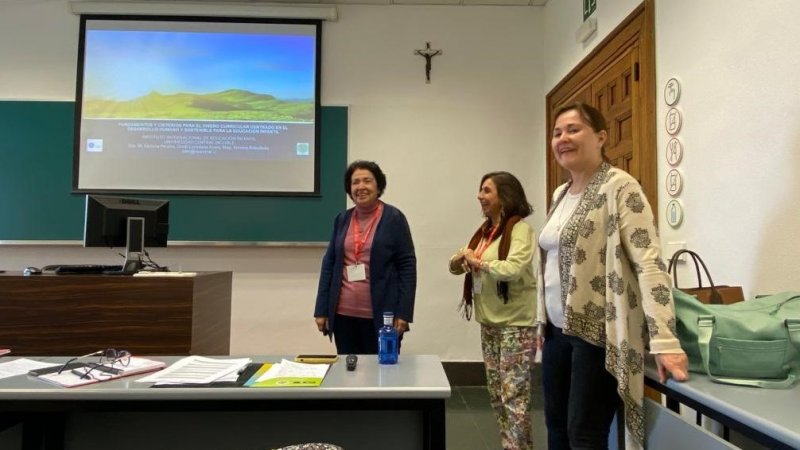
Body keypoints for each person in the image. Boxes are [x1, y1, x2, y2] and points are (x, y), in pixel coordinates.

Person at [537, 101, 689, 450]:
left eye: (573, 129)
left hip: (597, 334)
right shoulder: (561, 195)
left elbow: (649, 263)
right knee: (556, 427)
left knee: (584, 435)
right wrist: (539, 322)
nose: (563, 138)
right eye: (557, 132)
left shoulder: (620, 186)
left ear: (601, 136)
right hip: (557, 332)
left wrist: (666, 340)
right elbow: (552, 264)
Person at [449, 171, 537, 450]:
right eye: (480, 190)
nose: (480, 196)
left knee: (514, 397)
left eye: (486, 191)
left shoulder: (521, 230)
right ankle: (508, 445)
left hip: (516, 325)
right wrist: (460, 259)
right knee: (497, 395)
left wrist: (479, 263)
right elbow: (457, 266)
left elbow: (513, 269)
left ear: (504, 196)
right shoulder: (485, 233)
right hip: (489, 323)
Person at [314, 160, 416, 354]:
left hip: (383, 316)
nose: (361, 187)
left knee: (383, 373)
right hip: (343, 315)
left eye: (367, 181)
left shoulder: (394, 218)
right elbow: (330, 263)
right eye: (355, 182)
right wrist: (321, 309)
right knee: (349, 373)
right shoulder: (342, 219)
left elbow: (407, 266)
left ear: (378, 186)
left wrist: (403, 313)